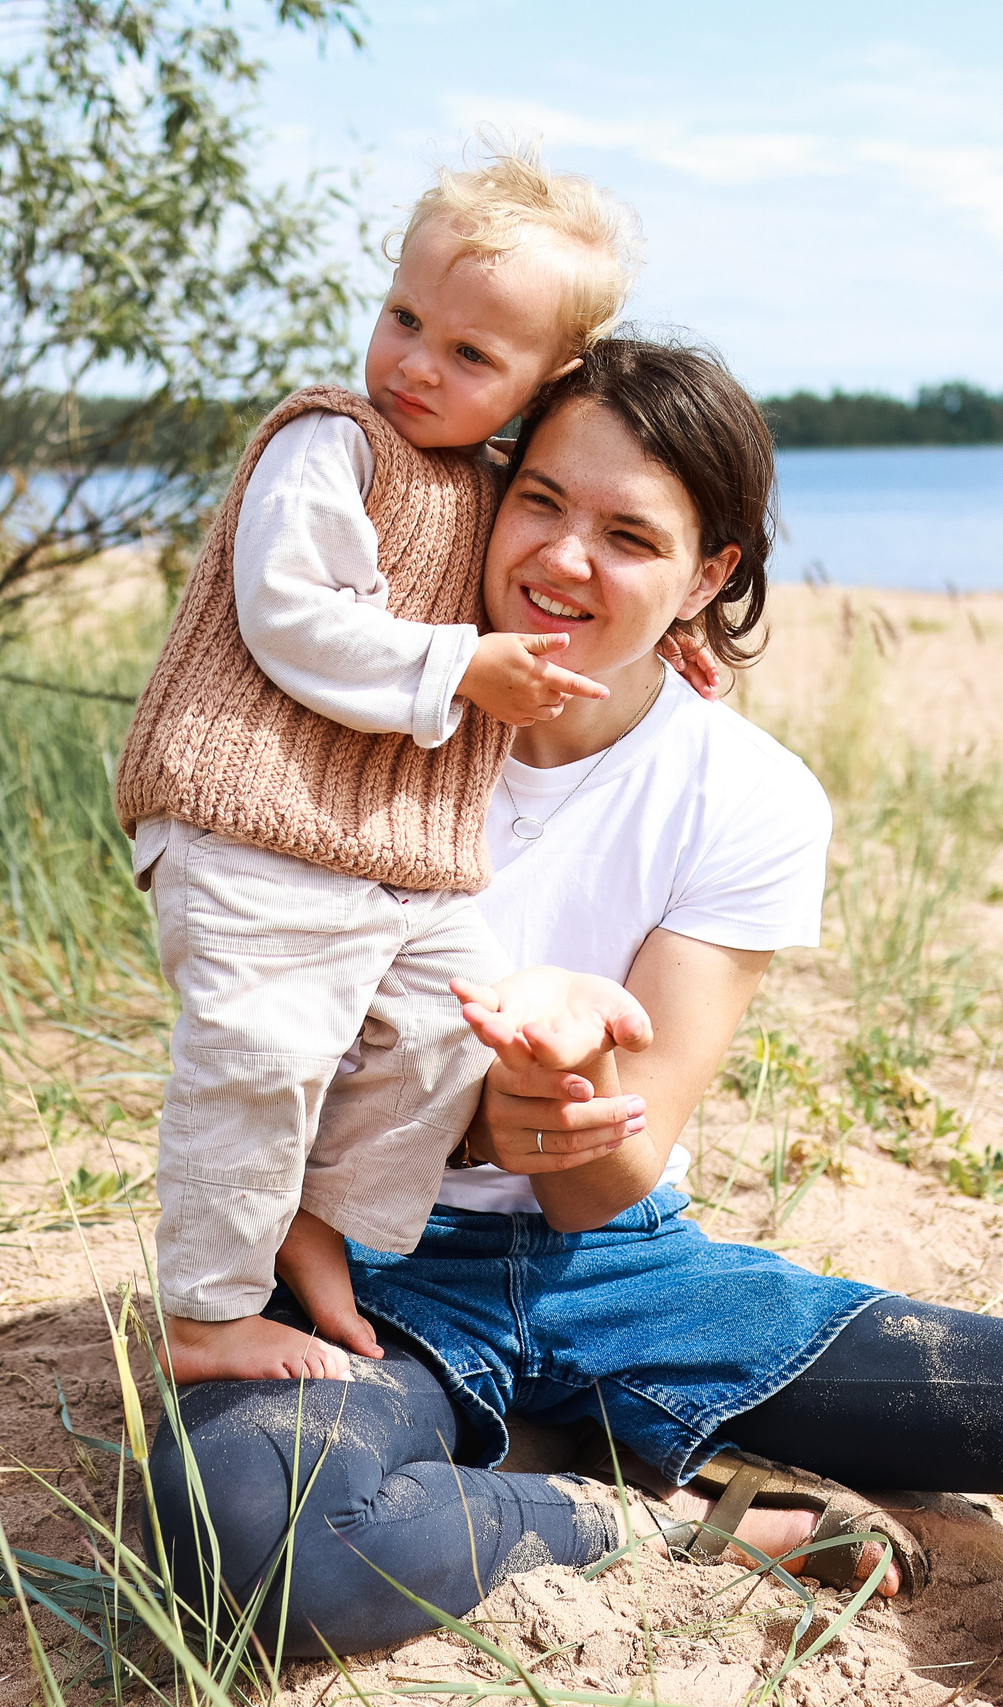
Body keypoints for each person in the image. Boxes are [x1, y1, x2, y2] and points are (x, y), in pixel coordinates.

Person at [144, 337, 1003, 1707]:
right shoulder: (355, 722)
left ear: (710, 574)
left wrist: (559, 1083)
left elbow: (613, 1174)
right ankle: (654, 1518)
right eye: (543, 500)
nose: (563, 559)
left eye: (631, 534)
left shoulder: (747, 796)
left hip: (626, 1268)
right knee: (242, 1534)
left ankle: (581, 1429)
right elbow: (254, 1026)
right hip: (377, 1267)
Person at [113, 148, 641, 1386]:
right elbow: (288, 614)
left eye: (471, 356)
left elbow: (562, 582)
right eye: (406, 318)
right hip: (251, 818)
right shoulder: (328, 443)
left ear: (538, 385)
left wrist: (668, 646)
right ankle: (202, 1314)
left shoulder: (493, 486)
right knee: (258, 1054)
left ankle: (313, 1213)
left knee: (450, 1033)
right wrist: (460, 667)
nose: (415, 363)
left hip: (396, 860)